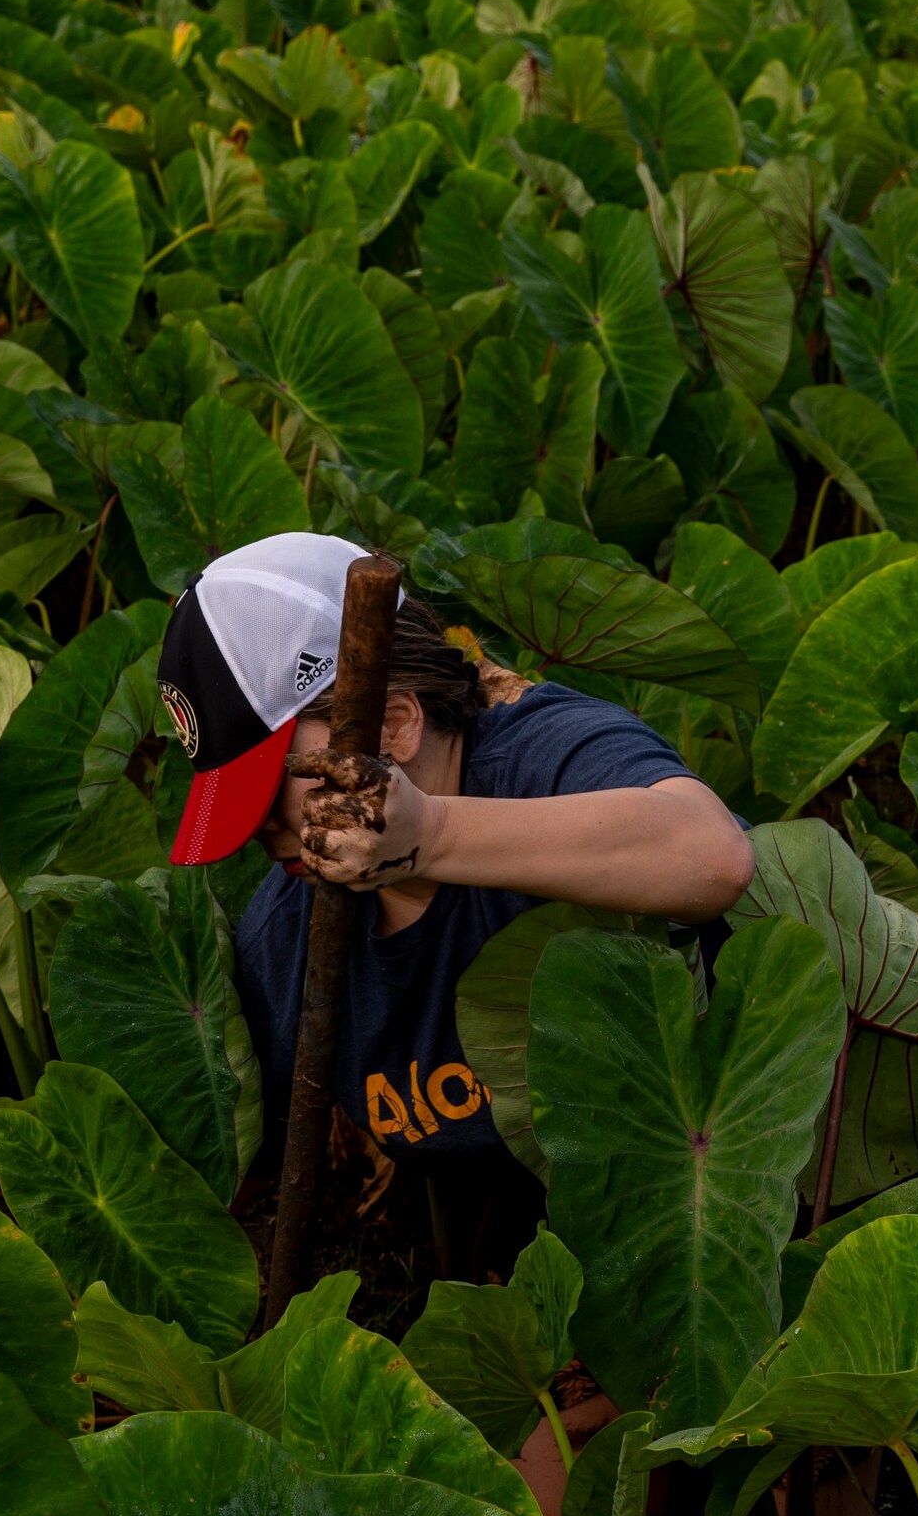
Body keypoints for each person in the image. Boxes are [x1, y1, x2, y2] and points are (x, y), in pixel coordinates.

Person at [158, 530, 754, 1275]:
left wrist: (429, 836)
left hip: (756, 1212)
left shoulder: (541, 756)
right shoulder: (287, 938)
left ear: (396, 725)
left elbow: (715, 856)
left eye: (273, 780)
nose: (265, 830)